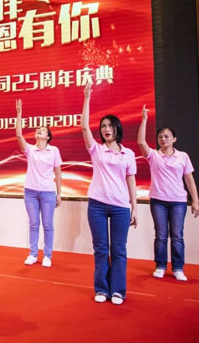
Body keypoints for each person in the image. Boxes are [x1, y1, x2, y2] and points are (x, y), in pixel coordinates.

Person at [81, 82, 137, 305]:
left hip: (120, 206)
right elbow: (85, 128)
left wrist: (134, 207)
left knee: (119, 250)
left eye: (110, 126)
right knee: (101, 249)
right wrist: (87, 98)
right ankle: (102, 289)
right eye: (103, 126)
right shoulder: (97, 150)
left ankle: (118, 291)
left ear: (117, 129)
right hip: (96, 205)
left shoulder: (128, 154)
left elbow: (131, 179)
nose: (106, 129)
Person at [137, 105, 199, 281]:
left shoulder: (183, 156)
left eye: (166, 136)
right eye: (160, 137)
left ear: (174, 139)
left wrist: (195, 200)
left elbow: (189, 179)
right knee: (161, 235)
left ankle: (178, 268)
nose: (163, 139)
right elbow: (141, 143)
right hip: (158, 201)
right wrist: (144, 120)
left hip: (178, 201)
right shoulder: (154, 156)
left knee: (177, 235)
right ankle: (160, 266)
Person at [15, 99, 62, 267]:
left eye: (42, 130)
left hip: (48, 192)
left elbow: (58, 173)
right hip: (31, 192)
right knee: (34, 224)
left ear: (47, 137)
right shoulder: (30, 150)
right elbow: (19, 135)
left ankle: (47, 255)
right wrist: (19, 114)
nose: (39, 131)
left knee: (48, 225)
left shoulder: (54, 150)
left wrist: (59, 194)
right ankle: (33, 254)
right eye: (38, 130)